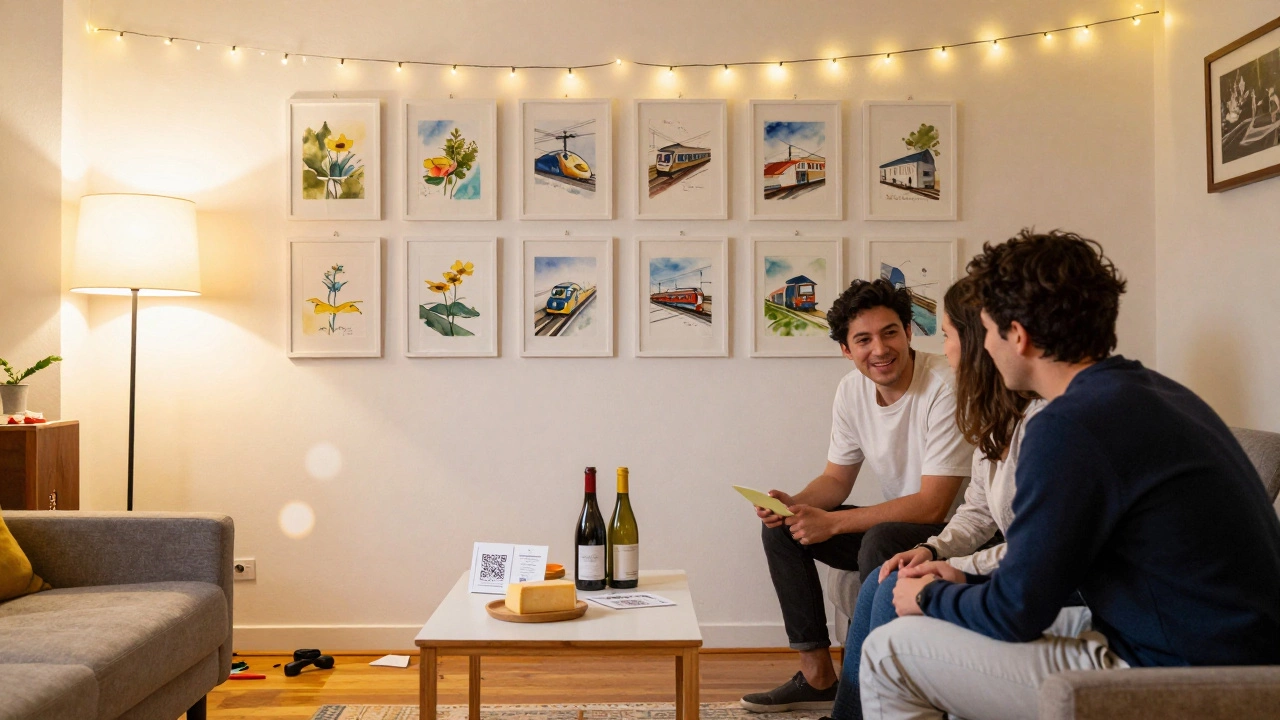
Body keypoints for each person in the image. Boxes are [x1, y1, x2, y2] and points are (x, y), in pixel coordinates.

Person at [859, 230, 1280, 720]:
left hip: (1182, 672)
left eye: (991, 332)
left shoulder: (1067, 426)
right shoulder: (1152, 392)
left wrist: (930, 594)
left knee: (889, 652)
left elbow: (1017, 614)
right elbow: (1038, 578)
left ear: (1018, 335)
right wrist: (958, 577)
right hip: (1226, 649)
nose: (986, 349)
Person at [742, 278, 973, 713]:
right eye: (863, 340)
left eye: (889, 333)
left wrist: (833, 522)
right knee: (782, 531)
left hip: (956, 532)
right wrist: (795, 506)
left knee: (880, 540)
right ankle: (817, 677)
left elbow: (933, 504)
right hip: (899, 525)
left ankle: (868, 689)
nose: (880, 349)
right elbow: (836, 481)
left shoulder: (945, 384)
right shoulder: (851, 391)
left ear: (908, 331)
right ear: (846, 350)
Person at [828, 277, 1044, 720]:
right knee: (881, 581)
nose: (943, 351)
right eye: (864, 339)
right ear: (847, 350)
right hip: (1001, 555)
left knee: (889, 577)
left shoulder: (1045, 424)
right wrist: (930, 550)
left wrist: (951, 567)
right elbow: (979, 510)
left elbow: (1039, 551)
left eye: (946, 336)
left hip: (1038, 576)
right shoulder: (995, 417)